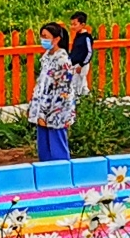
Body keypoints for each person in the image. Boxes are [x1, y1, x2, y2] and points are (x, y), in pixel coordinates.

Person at [28, 22, 78, 164]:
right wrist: (36, 109)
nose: (42, 40)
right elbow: (42, 85)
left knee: (57, 147)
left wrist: (45, 112)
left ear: (56, 39)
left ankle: (62, 177)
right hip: (42, 110)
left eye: (46, 37)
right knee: (44, 147)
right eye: (41, 36)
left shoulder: (62, 61)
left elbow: (62, 91)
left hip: (56, 111)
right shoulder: (46, 57)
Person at [67, 11, 95, 98]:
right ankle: (86, 98)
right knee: (79, 82)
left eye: (75, 24)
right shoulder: (78, 36)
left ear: (82, 25)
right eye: (71, 24)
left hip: (81, 64)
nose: (72, 27)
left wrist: (81, 64)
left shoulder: (86, 38)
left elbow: (89, 52)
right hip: (75, 64)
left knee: (78, 82)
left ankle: (79, 98)